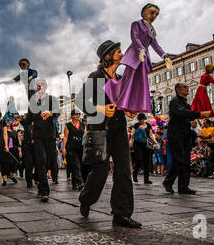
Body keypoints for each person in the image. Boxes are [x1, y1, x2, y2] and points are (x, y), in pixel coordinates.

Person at [76, 40, 141, 228]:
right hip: (100, 129)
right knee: (101, 171)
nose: (122, 55)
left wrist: (128, 110)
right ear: (108, 56)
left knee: (123, 170)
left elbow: (121, 103)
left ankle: (121, 214)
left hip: (119, 129)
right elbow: (80, 101)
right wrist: (100, 108)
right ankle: (86, 199)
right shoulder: (95, 76)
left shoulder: (119, 79)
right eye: (118, 52)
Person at [104, 3, 172, 113]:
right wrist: (141, 49)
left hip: (143, 57)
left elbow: (156, 46)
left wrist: (164, 56)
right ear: (144, 13)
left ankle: (133, 105)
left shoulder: (152, 30)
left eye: (156, 14)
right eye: (152, 13)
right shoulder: (137, 24)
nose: (154, 16)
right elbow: (135, 38)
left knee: (140, 83)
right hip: (135, 54)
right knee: (128, 79)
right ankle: (111, 88)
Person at [15, 78, 61, 202]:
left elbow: (57, 112)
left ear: (45, 86)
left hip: (50, 135)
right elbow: (28, 120)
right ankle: (45, 191)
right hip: (38, 136)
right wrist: (21, 119)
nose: (38, 87)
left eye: (40, 85)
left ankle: (40, 185)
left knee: (48, 162)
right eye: (36, 85)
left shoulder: (52, 99)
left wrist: (50, 113)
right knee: (40, 161)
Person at [162, 82, 211, 194]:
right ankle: (168, 181)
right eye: (185, 87)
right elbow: (183, 112)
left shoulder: (184, 103)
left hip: (185, 134)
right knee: (178, 160)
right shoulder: (175, 102)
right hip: (175, 135)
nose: (187, 88)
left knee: (185, 161)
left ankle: (183, 187)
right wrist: (200, 114)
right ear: (177, 89)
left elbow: (190, 111)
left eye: (187, 87)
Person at [130, 113, 157, 184]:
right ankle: (135, 175)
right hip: (138, 144)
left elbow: (151, 135)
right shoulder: (136, 125)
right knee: (139, 159)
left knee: (147, 161)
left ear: (144, 119)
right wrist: (138, 130)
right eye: (139, 119)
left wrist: (155, 142)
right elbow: (132, 134)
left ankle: (146, 179)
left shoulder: (148, 125)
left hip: (146, 144)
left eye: (141, 119)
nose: (140, 121)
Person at [62, 109, 85, 190]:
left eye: (79, 114)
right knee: (76, 165)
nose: (78, 115)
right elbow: (65, 137)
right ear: (72, 116)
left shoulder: (82, 125)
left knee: (79, 166)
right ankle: (80, 183)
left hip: (80, 148)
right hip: (71, 148)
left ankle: (74, 183)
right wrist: (64, 148)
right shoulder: (68, 125)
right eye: (76, 114)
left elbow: (85, 136)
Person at [1, 122, 20, 186]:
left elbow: (17, 143)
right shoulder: (3, 131)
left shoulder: (14, 132)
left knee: (13, 164)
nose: (7, 123)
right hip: (4, 149)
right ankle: (4, 180)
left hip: (13, 150)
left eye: (9, 122)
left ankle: (12, 176)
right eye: (6, 122)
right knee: (4, 164)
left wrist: (20, 151)